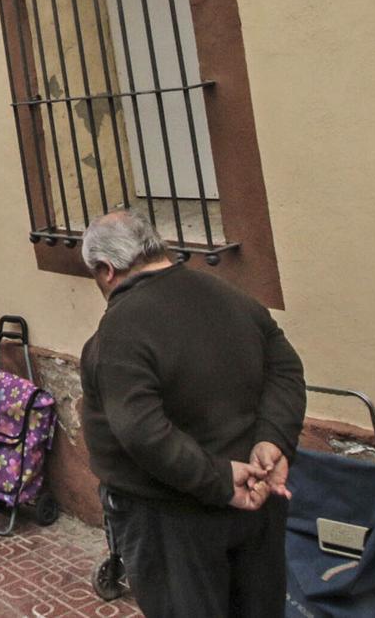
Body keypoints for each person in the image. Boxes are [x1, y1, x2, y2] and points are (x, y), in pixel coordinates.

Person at [78, 211, 306, 617]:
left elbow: (143, 432)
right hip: (256, 498)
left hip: (172, 521)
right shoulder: (231, 295)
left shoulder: (121, 328)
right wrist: (272, 440)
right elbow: (286, 369)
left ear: (106, 270)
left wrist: (221, 478)